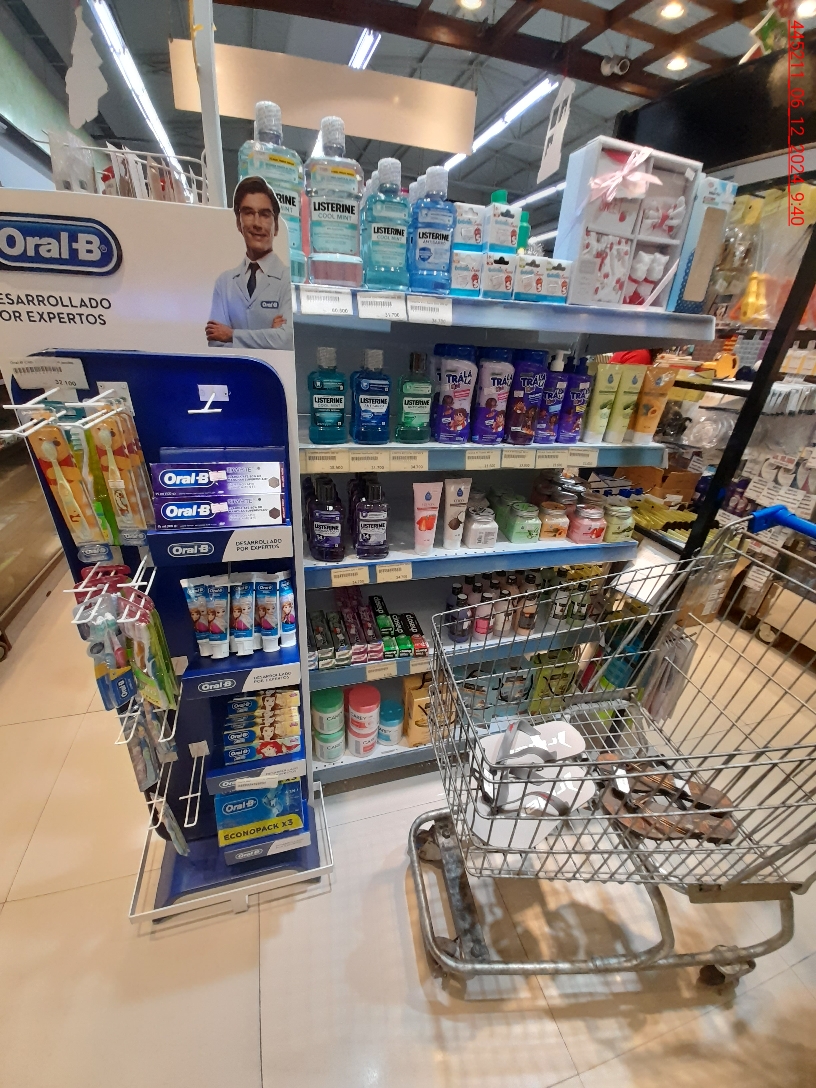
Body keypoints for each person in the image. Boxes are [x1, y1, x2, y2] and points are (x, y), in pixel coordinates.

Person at [206, 176, 294, 350]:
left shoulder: (288, 280)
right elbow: (216, 343)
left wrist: (231, 335)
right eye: (248, 213)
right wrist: (269, 337)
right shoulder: (224, 283)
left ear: (276, 226)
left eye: (265, 214)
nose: (257, 223)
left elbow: (285, 339)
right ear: (238, 223)